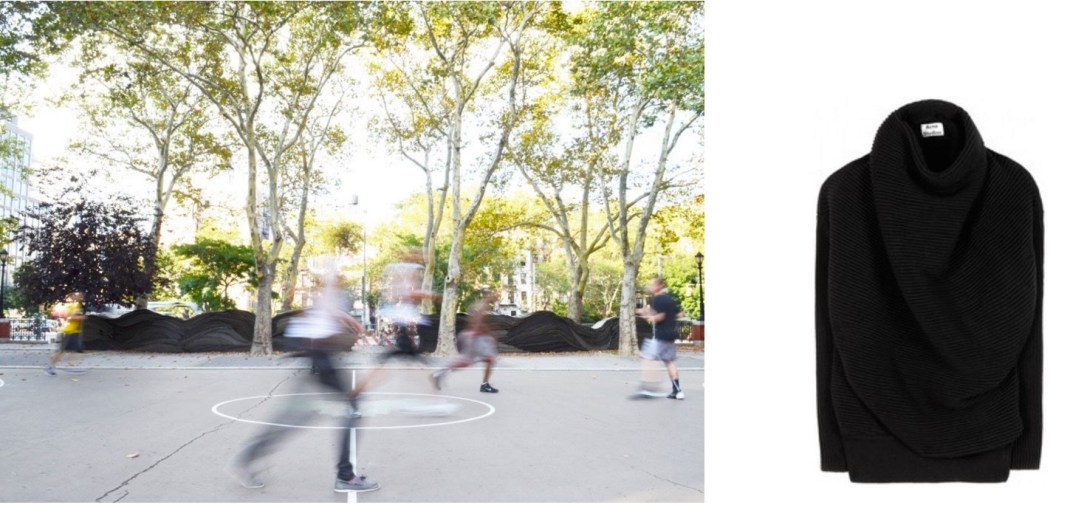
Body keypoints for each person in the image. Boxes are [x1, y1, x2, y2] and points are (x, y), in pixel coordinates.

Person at [233, 274, 379, 493]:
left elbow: (324, 314)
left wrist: (349, 322)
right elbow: (325, 315)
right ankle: (345, 476)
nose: (341, 280)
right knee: (350, 411)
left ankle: (248, 457)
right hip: (321, 361)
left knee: (296, 417)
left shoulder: (324, 299)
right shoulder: (328, 293)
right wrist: (349, 323)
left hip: (319, 361)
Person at [430, 291, 500, 393]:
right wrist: (490, 335)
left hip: (473, 336)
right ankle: (439, 373)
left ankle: (485, 384)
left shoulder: (477, 305)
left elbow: (474, 322)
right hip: (475, 337)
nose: (493, 296)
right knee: (468, 361)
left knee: (489, 360)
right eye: (492, 294)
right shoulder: (482, 306)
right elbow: (478, 323)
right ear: (487, 295)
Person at [632, 276, 685, 400]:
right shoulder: (670, 299)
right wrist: (648, 313)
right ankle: (677, 390)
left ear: (659, 286)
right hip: (671, 335)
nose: (651, 287)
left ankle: (648, 389)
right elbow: (680, 314)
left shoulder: (658, 299)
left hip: (661, 336)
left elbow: (660, 317)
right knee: (669, 362)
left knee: (647, 357)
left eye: (653, 284)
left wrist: (648, 317)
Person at [45, 292, 84, 376]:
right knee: (61, 351)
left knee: (77, 349)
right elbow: (69, 317)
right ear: (73, 297)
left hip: (74, 331)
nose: (80, 297)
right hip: (68, 331)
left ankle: (75, 365)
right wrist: (82, 317)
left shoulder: (77, 305)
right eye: (78, 295)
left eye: (81, 296)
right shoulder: (72, 306)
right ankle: (51, 367)